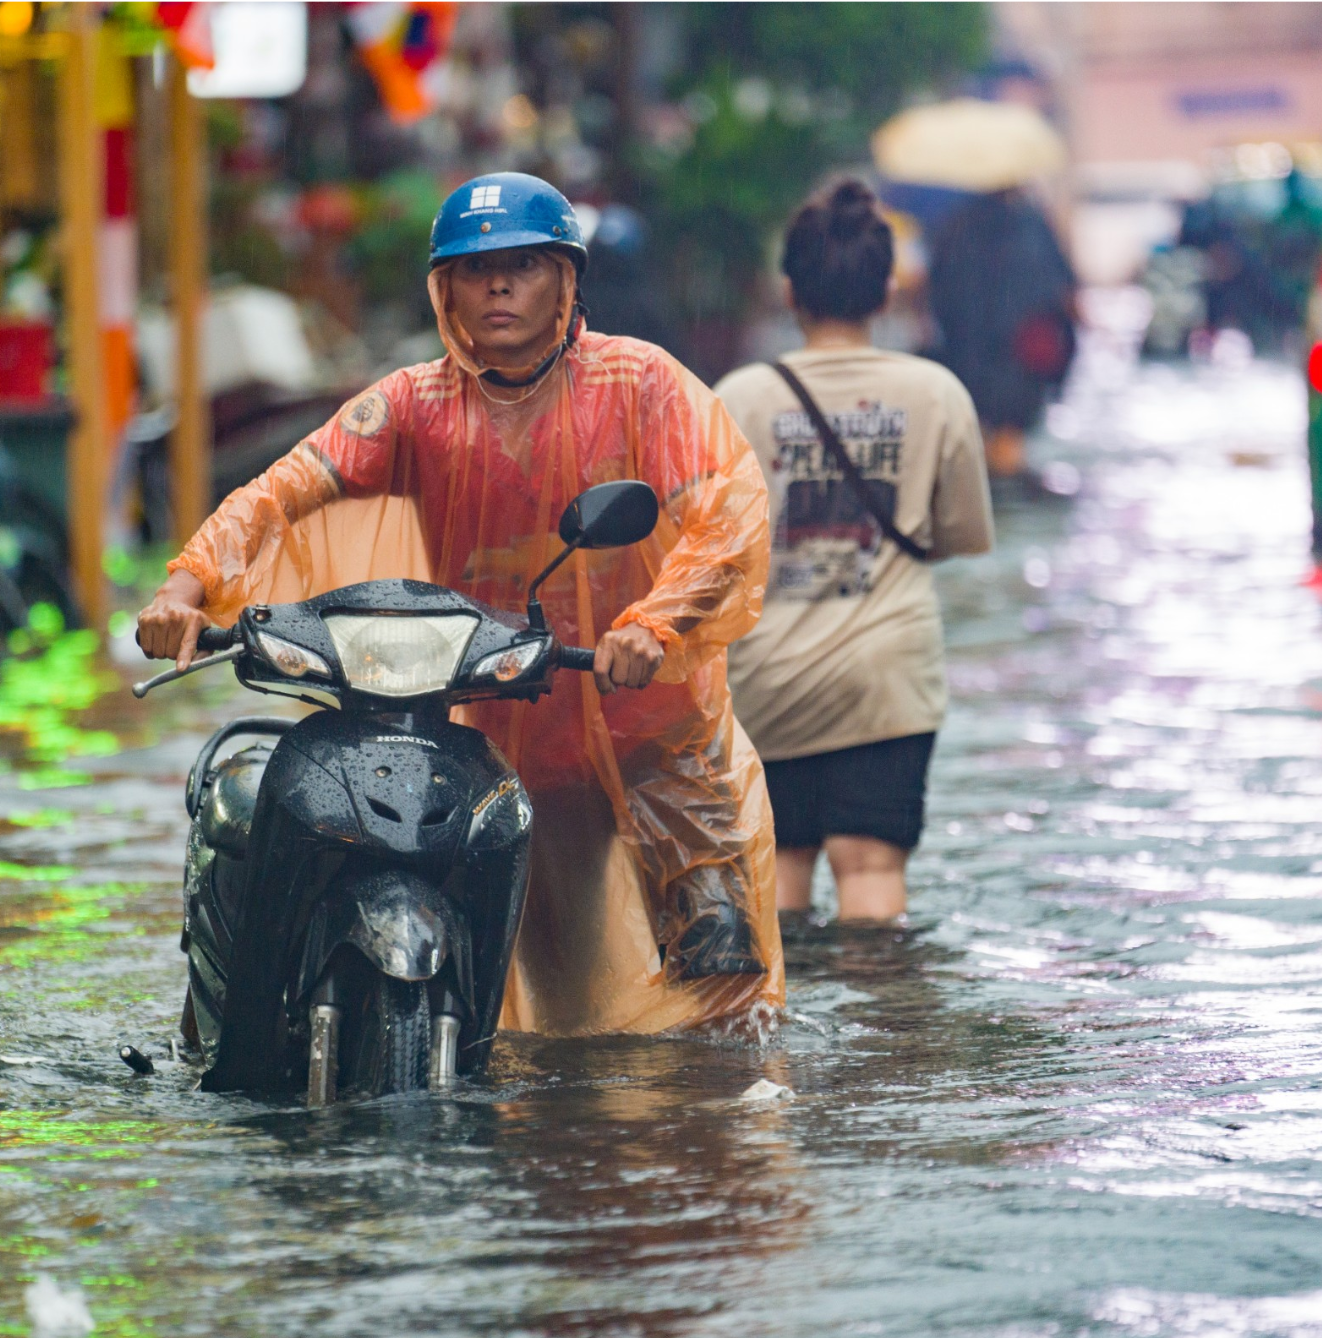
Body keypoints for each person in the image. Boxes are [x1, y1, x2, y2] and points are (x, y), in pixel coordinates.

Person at [137, 172, 782, 1036]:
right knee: (558, 1025)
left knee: (726, 1003)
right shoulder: (413, 405)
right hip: (513, 740)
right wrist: (184, 588)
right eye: (475, 272)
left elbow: (728, 517)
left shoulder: (643, 385)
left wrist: (653, 625)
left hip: (657, 734)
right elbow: (280, 492)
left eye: (522, 265)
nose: (499, 287)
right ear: (446, 290)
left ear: (567, 280)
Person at [716, 179, 993, 922]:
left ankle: (789, 1040)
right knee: (871, 871)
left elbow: (705, 546)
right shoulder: (936, 393)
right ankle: (886, 1033)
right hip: (889, 679)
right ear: (888, 289)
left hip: (768, 676)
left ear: (788, 290)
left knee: (778, 880)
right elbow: (962, 533)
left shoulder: (736, 399)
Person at [925, 186, 1076, 480]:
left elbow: (937, 294)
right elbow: (1061, 290)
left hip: (967, 355)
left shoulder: (956, 225)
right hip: (1021, 357)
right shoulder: (1032, 224)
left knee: (976, 446)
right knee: (1009, 447)